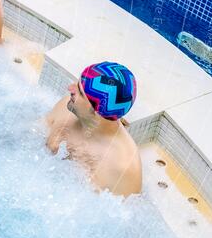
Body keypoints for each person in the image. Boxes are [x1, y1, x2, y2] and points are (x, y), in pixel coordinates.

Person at [45, 61, 141, 196]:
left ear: (96, 112)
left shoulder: (123, 166)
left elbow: (123, 212)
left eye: (80, 92)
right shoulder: (66, 108)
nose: (70, 88)